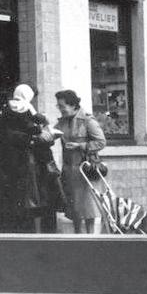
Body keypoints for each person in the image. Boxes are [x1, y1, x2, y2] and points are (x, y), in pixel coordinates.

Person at [0, 83, 61, 233]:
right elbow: (37, 124)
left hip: (11, 160)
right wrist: (40, 133)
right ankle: (36, 230)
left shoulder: (6, 108)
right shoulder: (27, 108)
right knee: (35, 194)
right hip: (30, 159)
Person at [55, 89, 106, 234]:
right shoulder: (63, 122)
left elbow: (101, 142)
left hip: (86, 171)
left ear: (73, 105)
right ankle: (78, 237)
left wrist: (80, 146)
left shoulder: (88, 121)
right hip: (69, 172)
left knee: (88, 209)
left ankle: (90, 239)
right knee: (74, 210)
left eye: (62, 106)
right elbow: (52, 134)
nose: (60, 109)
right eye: (58, 106)